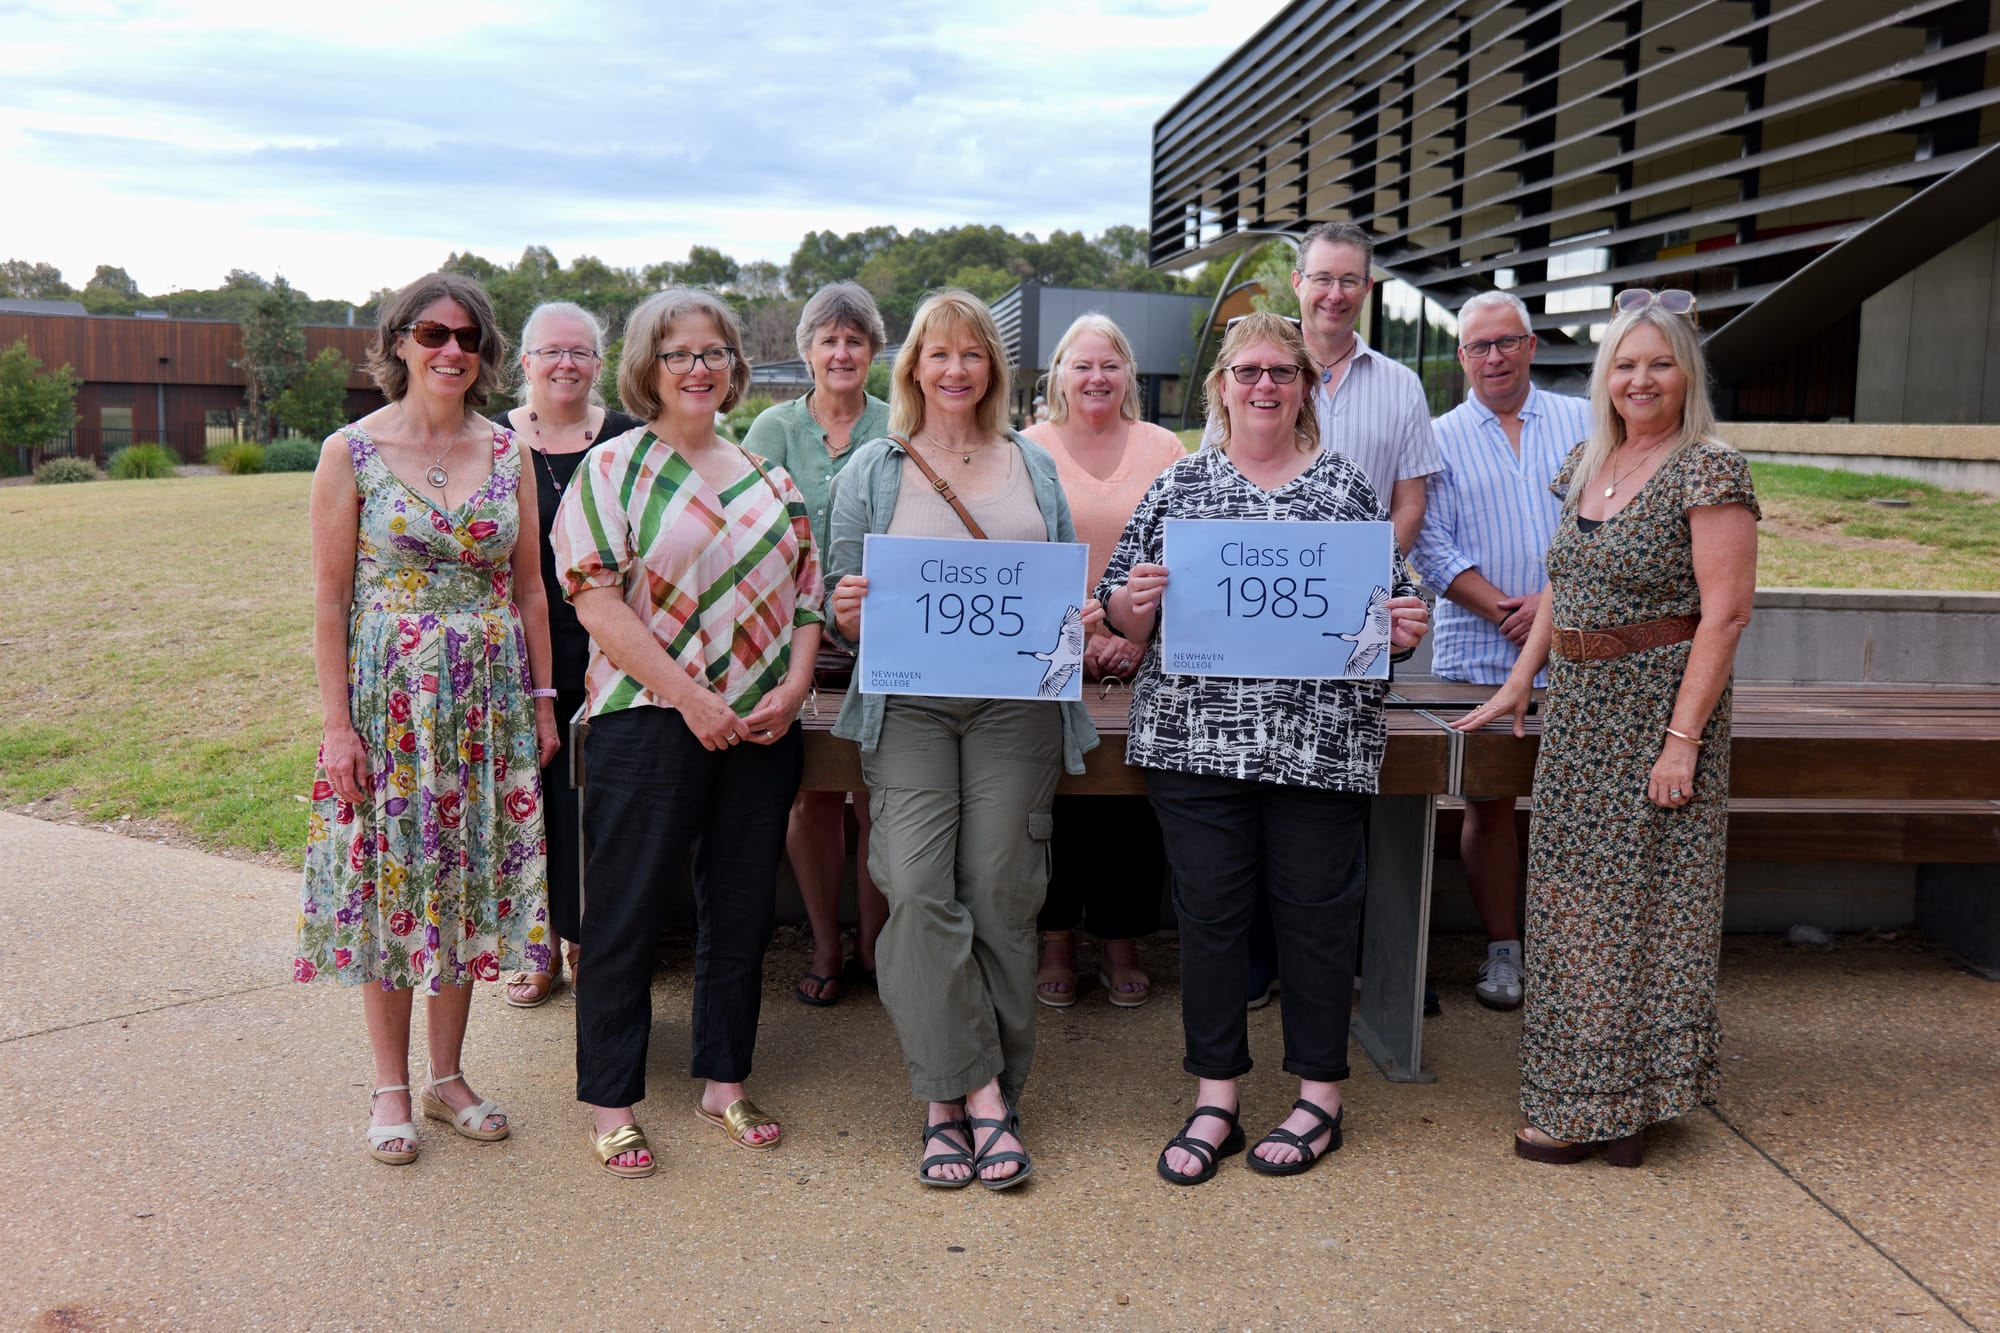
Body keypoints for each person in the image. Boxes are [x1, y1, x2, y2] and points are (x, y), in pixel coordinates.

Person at [1098, 313, 1430, 1185]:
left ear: (1306, 386)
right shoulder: (1182, 489)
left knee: (1318, 921)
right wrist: (1135, 602)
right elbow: (1119, 611)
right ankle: (1217, 1097)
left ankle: (1320, 1094)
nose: (1264, 386)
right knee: (1210, 924)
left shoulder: (1349, 491)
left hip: (1319, 745)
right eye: (1246, 371)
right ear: (1222, 386)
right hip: (1196, 744)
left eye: (1281, 371)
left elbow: (1393, 619)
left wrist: (1402, 627)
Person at [1451, 292, 1759, 1167]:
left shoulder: (1710, 468)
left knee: (1647, 908)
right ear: (1604, 376)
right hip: (1582, 711)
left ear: (1686, 372)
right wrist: (1520, 682)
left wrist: (1682, 741)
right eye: (1625, 364)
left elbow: (1727, 615)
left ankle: (1622, 1108)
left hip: (1657, 709)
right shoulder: (1591, 459)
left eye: (1659, 362)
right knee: (1573, 908)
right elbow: (1563, 582)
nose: (1641, 379)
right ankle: (1598, 1106)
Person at [823, 289, 1100, 1189]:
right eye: (936, 354)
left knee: (1001, 888)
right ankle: (973, 1090)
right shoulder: (872, 466)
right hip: (910, 705)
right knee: (911, 880)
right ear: (913, 368)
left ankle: (961, 1103)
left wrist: (1079, 615)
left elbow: (1061, 579)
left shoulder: (1034, 465)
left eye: (970, 354)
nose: (954, 369)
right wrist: (850, 611)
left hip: (1016, 704)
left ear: (992, 367)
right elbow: (840, 607)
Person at [552, 288, 823, 1178]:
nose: (699, 369)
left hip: (759, 724)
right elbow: (591, 595)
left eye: (713, 353)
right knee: (626, 913)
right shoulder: (615, 468)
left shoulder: (768, 477)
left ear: (734, 365)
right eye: (679, 355)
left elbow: (809, 597)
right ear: (648, 369)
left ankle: (723, 1078)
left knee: (739, 908)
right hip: (650, 718)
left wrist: (789, 687)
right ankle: (612, 1098)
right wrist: (688, 696)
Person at [296, 272, 559, 1164]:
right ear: (400, 341)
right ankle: (390, 1085)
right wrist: (339, 727)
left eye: (469, 337)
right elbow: (331, 603)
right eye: (432, 332)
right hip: (390, 702)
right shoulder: (352, 452)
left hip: (486, 701)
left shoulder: (508, 450)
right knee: (394, 885)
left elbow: (529, 587)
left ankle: (448, 1077)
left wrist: (542, 700)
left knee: (464, 877)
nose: (451, 349)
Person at [1410, 291, 1591, 1011]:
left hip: (1581, 643)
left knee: (1581, 801)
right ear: (1462, 358)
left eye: (1506, 342)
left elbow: (1599, 516)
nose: (1493, 357)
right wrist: (1503, 609)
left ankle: (1578, 949)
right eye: (1478, 347)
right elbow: (1430, 541)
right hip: (1476, 647)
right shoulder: (1438, 435)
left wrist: (1551, 607)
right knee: (1488, 803)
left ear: (1532, 345)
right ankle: (1504, 949)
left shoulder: (1584, 422)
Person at [1023, 313, 1184, 1009]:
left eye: (1110, 365)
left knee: (1131, 801)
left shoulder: (1165, 447)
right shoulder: (1024, 448)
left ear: (1130, 376)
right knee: (1048, 789)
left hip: (1146, 653)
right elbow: (1019, 559)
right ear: (1057, 373)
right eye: (1082, 365)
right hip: (1049, 658)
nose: (1096, 377)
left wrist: (1138, 639)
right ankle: (1055, 935)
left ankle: (1122, 938)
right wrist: (1078, 641)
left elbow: (1187, 556)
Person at [742, 283, 892, 1007]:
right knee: (813, 800)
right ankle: (826, 941)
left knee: (875, 797)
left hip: (879, 642)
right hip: (790, 644)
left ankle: (875, 939)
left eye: (855, 340)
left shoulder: (901, 426)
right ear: (807, 351)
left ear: (874, 352)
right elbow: (745, 530)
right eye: (829, 340)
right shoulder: (771, 429)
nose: (841, 352)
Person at [495, 302, 644, 1009]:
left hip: (612, 639)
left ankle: (592, 939)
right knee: (533, 794)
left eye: (580, 352)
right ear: (524, 362)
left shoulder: (627, 439)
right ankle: (540, 944)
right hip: (518, 645)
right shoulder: (490, 441)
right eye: (551, 351)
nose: (565, 364)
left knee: (599, 799)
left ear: (599, 363)